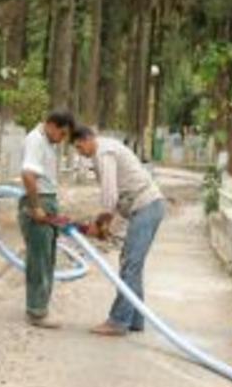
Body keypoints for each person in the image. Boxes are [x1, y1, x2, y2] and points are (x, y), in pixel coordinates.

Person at [71, 125, 165, 336]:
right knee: (132, 264)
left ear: (88, 139)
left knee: (130, 264)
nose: (80, 152)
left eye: (79, 147)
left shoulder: (104, 152)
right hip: (143, 207)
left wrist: (100, 222)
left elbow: (110, 196)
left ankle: (118, 321)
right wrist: (107, 227)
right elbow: (118, 198)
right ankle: (135, 319)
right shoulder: (102, 152)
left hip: (146, 206)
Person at [18, 110, 75, 329]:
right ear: (51, 125)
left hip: (47, 201)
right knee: (39, 260)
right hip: (38, 204)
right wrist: (36, 207)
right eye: (61, 133)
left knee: (47, 257)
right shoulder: (36, 141)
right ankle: (36, 312)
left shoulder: (47, 142)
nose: (62, 139)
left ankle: (40, 306)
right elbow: (28, 175)